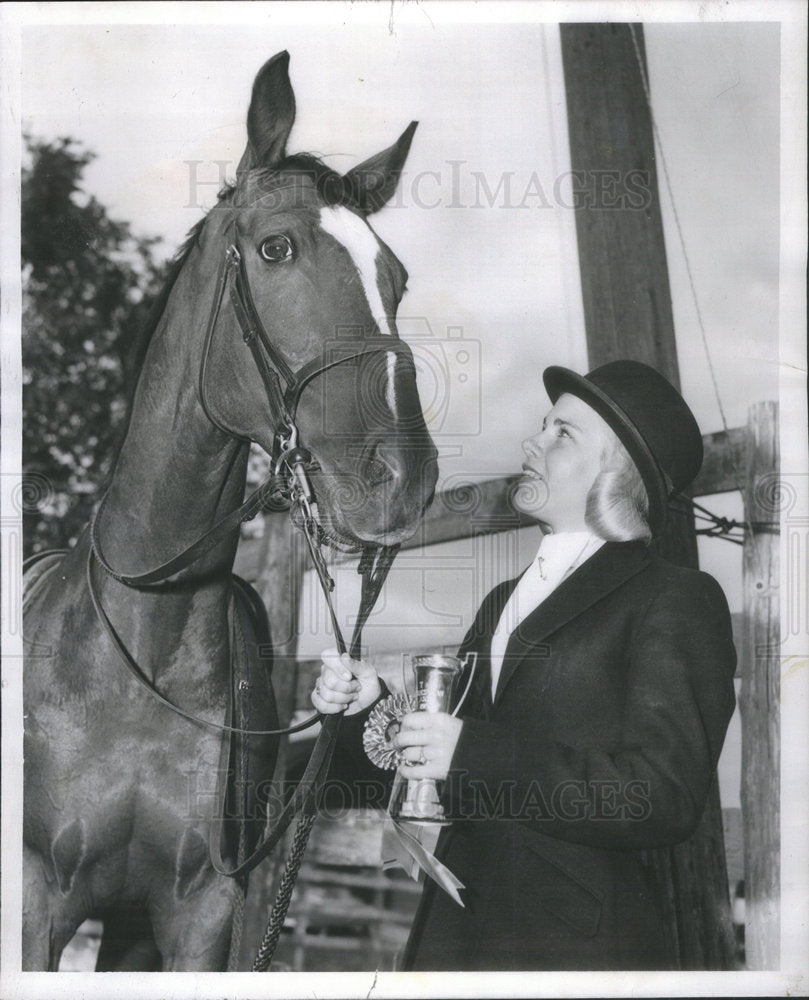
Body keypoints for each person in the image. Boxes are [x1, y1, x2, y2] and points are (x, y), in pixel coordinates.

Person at [311, 360, 737, 971]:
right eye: (543, 426)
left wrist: (471, 751)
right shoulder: (502, 601)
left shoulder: (674, 600)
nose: (531, 442)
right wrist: (370, 712)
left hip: (574, 953)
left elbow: (663, 797)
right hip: (454, 942)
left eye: (563, 433)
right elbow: (444, 778)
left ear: (616, 471)